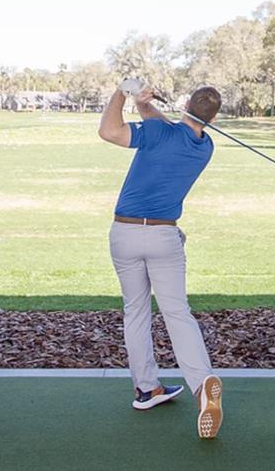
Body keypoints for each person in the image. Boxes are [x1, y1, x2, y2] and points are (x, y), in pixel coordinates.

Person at [98, 80, 225, 439]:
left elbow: (109, 131)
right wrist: (144, 105)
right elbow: (166, 129)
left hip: (124, 234)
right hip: (164, 237)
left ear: (185, 103)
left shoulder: (157, 132)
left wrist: (123, 94)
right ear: (213, 117)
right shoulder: (204, 147)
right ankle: (202, 385)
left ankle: (146, 388)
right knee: (177, 312)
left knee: (136, 311)